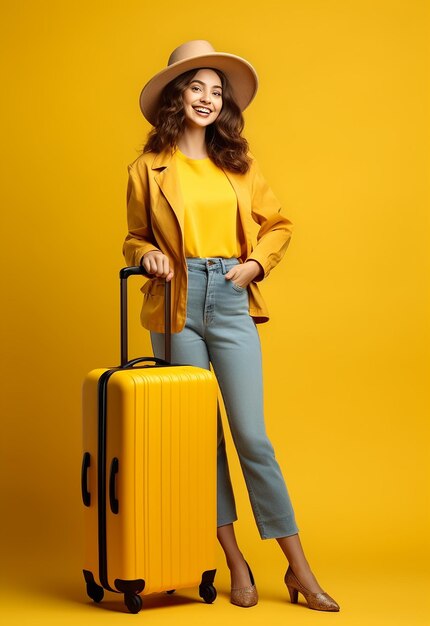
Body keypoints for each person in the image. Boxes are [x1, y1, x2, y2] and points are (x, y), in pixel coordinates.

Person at [123, 40, 339, 611]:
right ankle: (233, 558)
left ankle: (299, 569)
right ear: (177, 95)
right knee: (201, 440)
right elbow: (134, 236)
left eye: (217, 91)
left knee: (252, 437)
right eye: (197, 87)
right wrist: (147, 255)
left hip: (230, 293)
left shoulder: (237, 166)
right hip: (174, 303)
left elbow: (280, 225)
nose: (208, 99)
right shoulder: (147, 168)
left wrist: (254, 266)